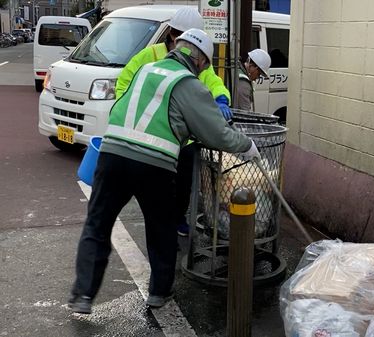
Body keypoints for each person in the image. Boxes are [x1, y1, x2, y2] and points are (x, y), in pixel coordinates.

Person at [68, 28, 261, 314]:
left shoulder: (146, 69)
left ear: (178, 48)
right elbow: (216, 134)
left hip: (112, 155)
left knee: (97, 224)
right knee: (162, 229)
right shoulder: (187, 84)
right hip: (153, 165)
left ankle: (83, 295)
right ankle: (158, 292)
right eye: (205, 66)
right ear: (199, 61)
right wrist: (247, 146)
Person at [114, 7, 232, 237]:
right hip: (152, 135)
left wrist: (221, 99)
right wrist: (128, 111)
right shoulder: (150, 55)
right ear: (171, 35)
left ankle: (177, 218)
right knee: (157, 184)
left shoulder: (197, 60)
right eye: (179, 35)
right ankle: (160, 225)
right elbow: (124, 82)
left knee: (183, 182)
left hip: (183, 139)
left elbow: (213, 81)